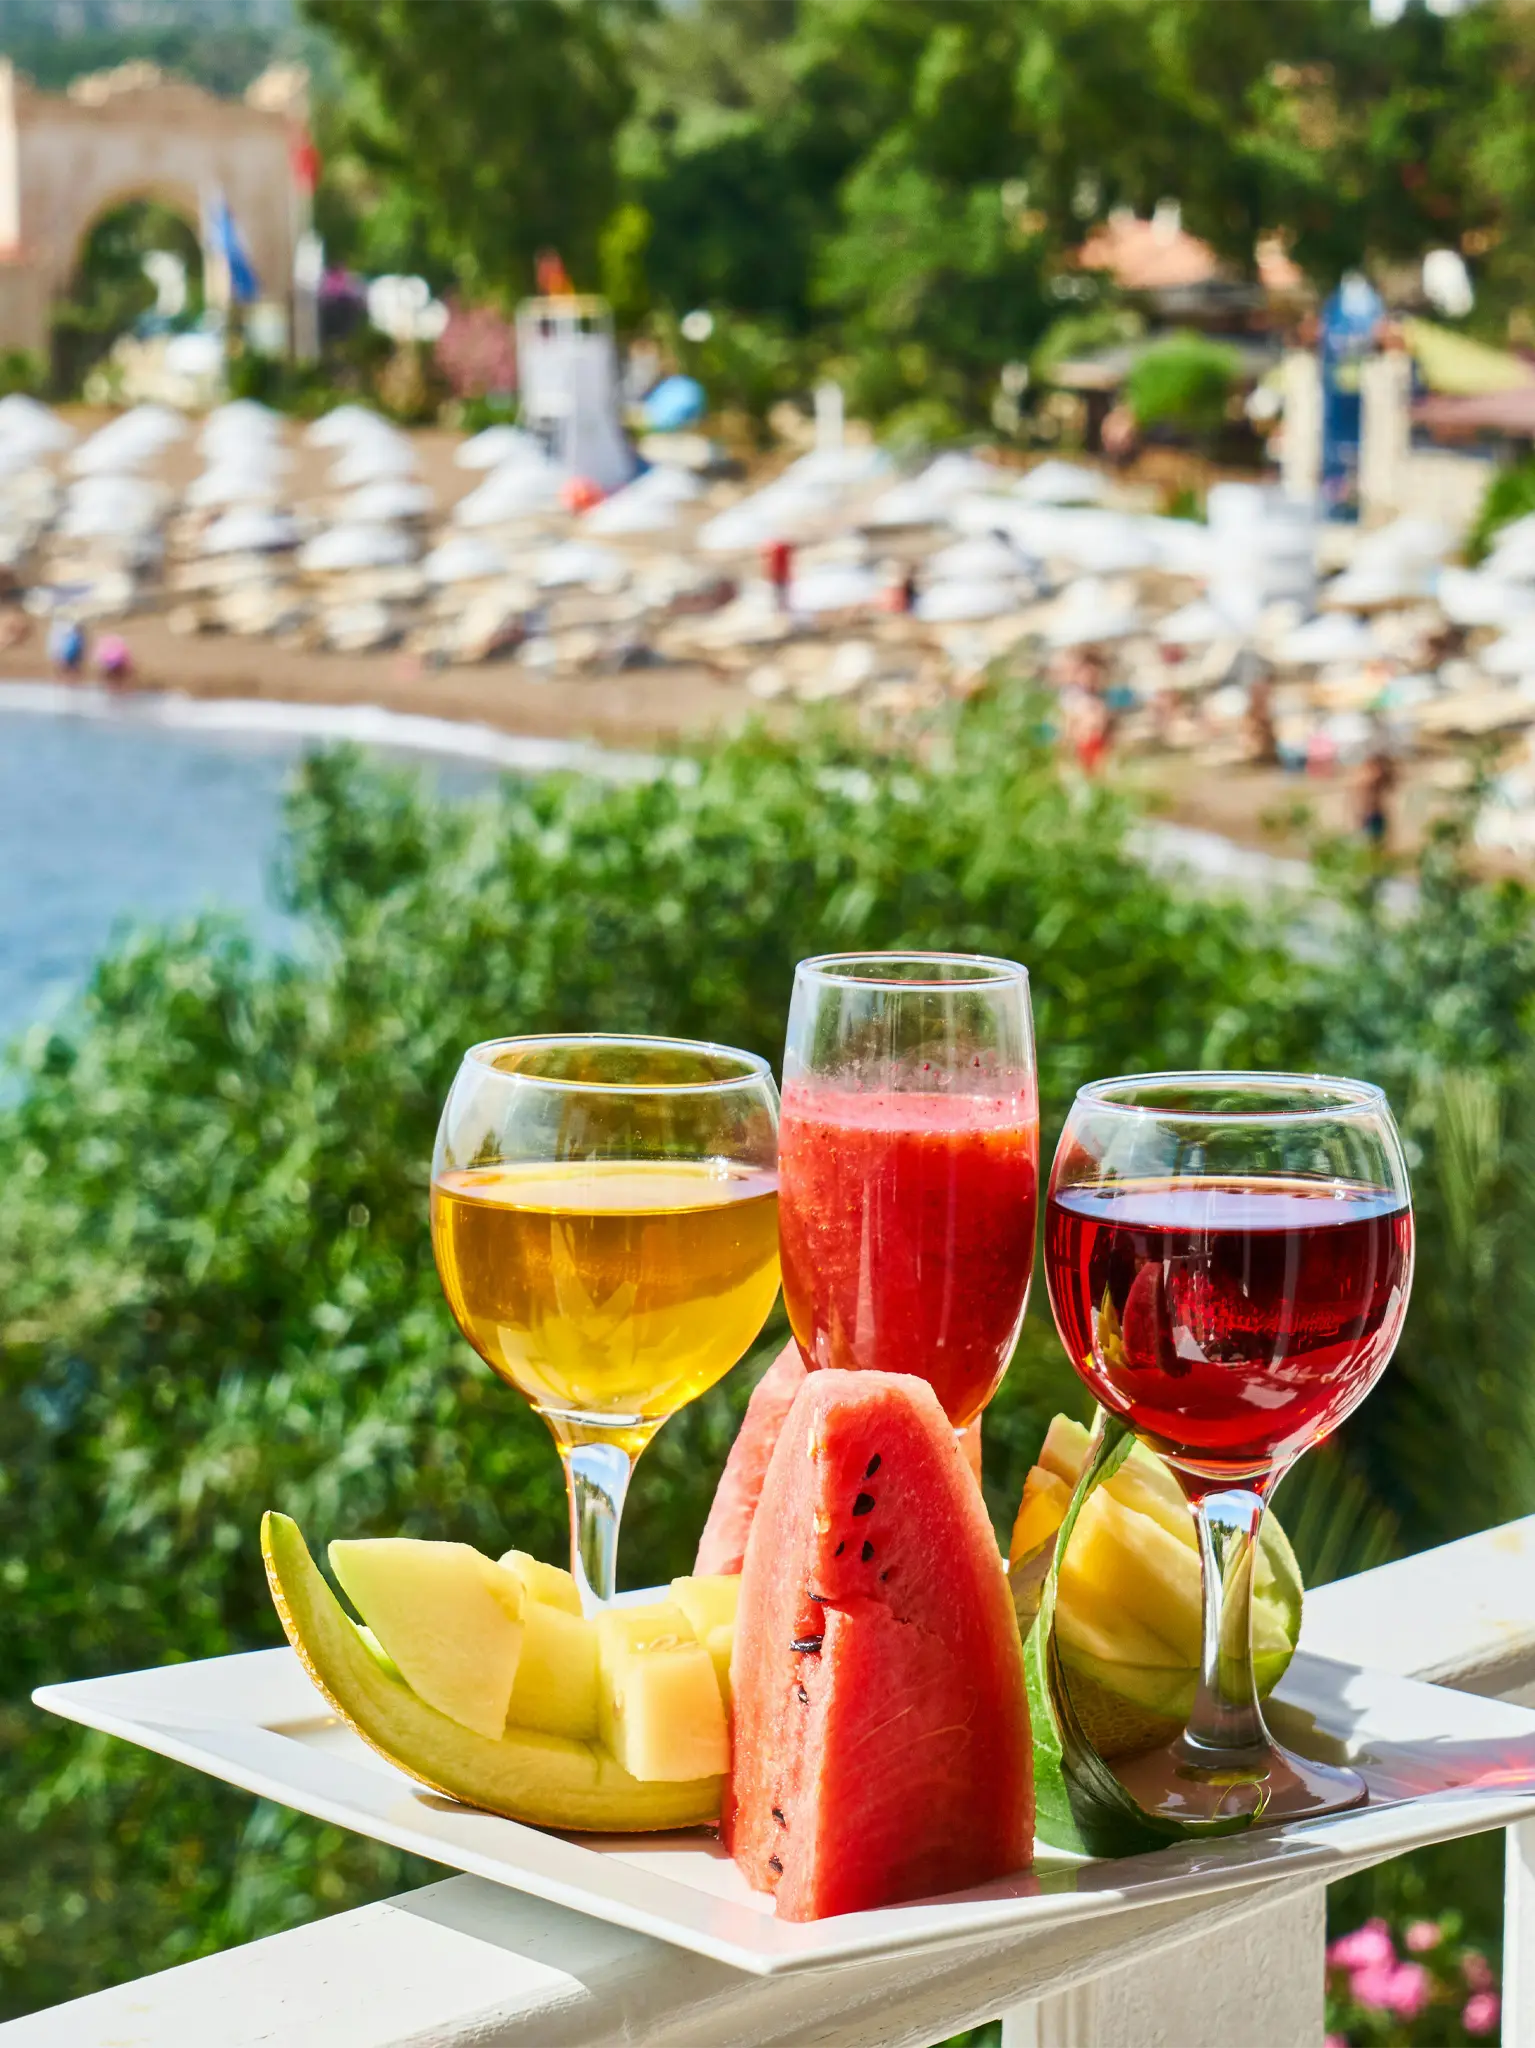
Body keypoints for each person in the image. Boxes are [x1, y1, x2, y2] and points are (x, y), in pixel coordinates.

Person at [1357, 745, 1399, 850]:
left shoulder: (1372, 778)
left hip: (1375, 813)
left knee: (1378, 842)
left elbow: (1392, 783)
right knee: (1372, 843)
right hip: (1370, 813)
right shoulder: (1370, 778)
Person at [47, 615, 85, 681]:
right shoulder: (70, 634)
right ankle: (64, 677)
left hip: (69, 652)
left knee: (68, 666)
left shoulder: (71, 635)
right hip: (68, 652)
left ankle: (67, 677)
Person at [764, 538, 794, 614]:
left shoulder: (777, 551)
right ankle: (781, 608)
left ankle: (780, 608)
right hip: (780, 576)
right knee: (781, 593)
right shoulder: (780, 551)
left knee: (780, 593)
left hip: (778, 576)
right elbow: (779, 566)